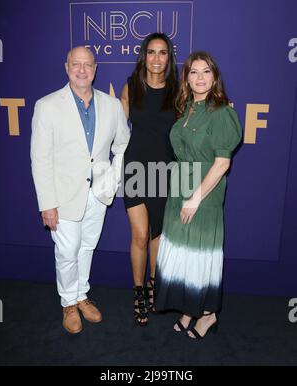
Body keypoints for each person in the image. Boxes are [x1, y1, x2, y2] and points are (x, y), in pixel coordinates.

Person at [30, 46, 130, 334]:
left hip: (97, 193)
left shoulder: (111, 106)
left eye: (88, 65)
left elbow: (123, 144)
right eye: (76, 64)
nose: (82, 70)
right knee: (67, 251)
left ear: (95, 69)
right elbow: (41, 158)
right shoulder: (47, 106)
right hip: (62, 197)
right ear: (66, 67)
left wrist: (112, 177)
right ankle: (68, 303)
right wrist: (46, 203)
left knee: (87, 247)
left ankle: (82, 295)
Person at [154, 51, 242, 339]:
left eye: (206, 71)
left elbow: (222, 163)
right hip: (179, 189)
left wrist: (196, 197)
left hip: (204, 193)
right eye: (194, 72)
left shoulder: (221, 112)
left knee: (200, 252)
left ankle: (207, 315)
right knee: (184, 252)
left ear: (214, 77)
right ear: (187, 78)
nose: (200, 77)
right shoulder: (187, 107)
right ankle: (190, 308)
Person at [120, 33, 178, 325]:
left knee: (157, 235)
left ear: (169, 57)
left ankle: (155, 284)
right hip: (134, 168)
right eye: (151, 52)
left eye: (163, 52)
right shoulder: (131, 86)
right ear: (144, 55)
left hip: (165, 170)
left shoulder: (179, 90)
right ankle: (138, 290)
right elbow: (117, 128)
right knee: (140, 235)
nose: (157, 58)